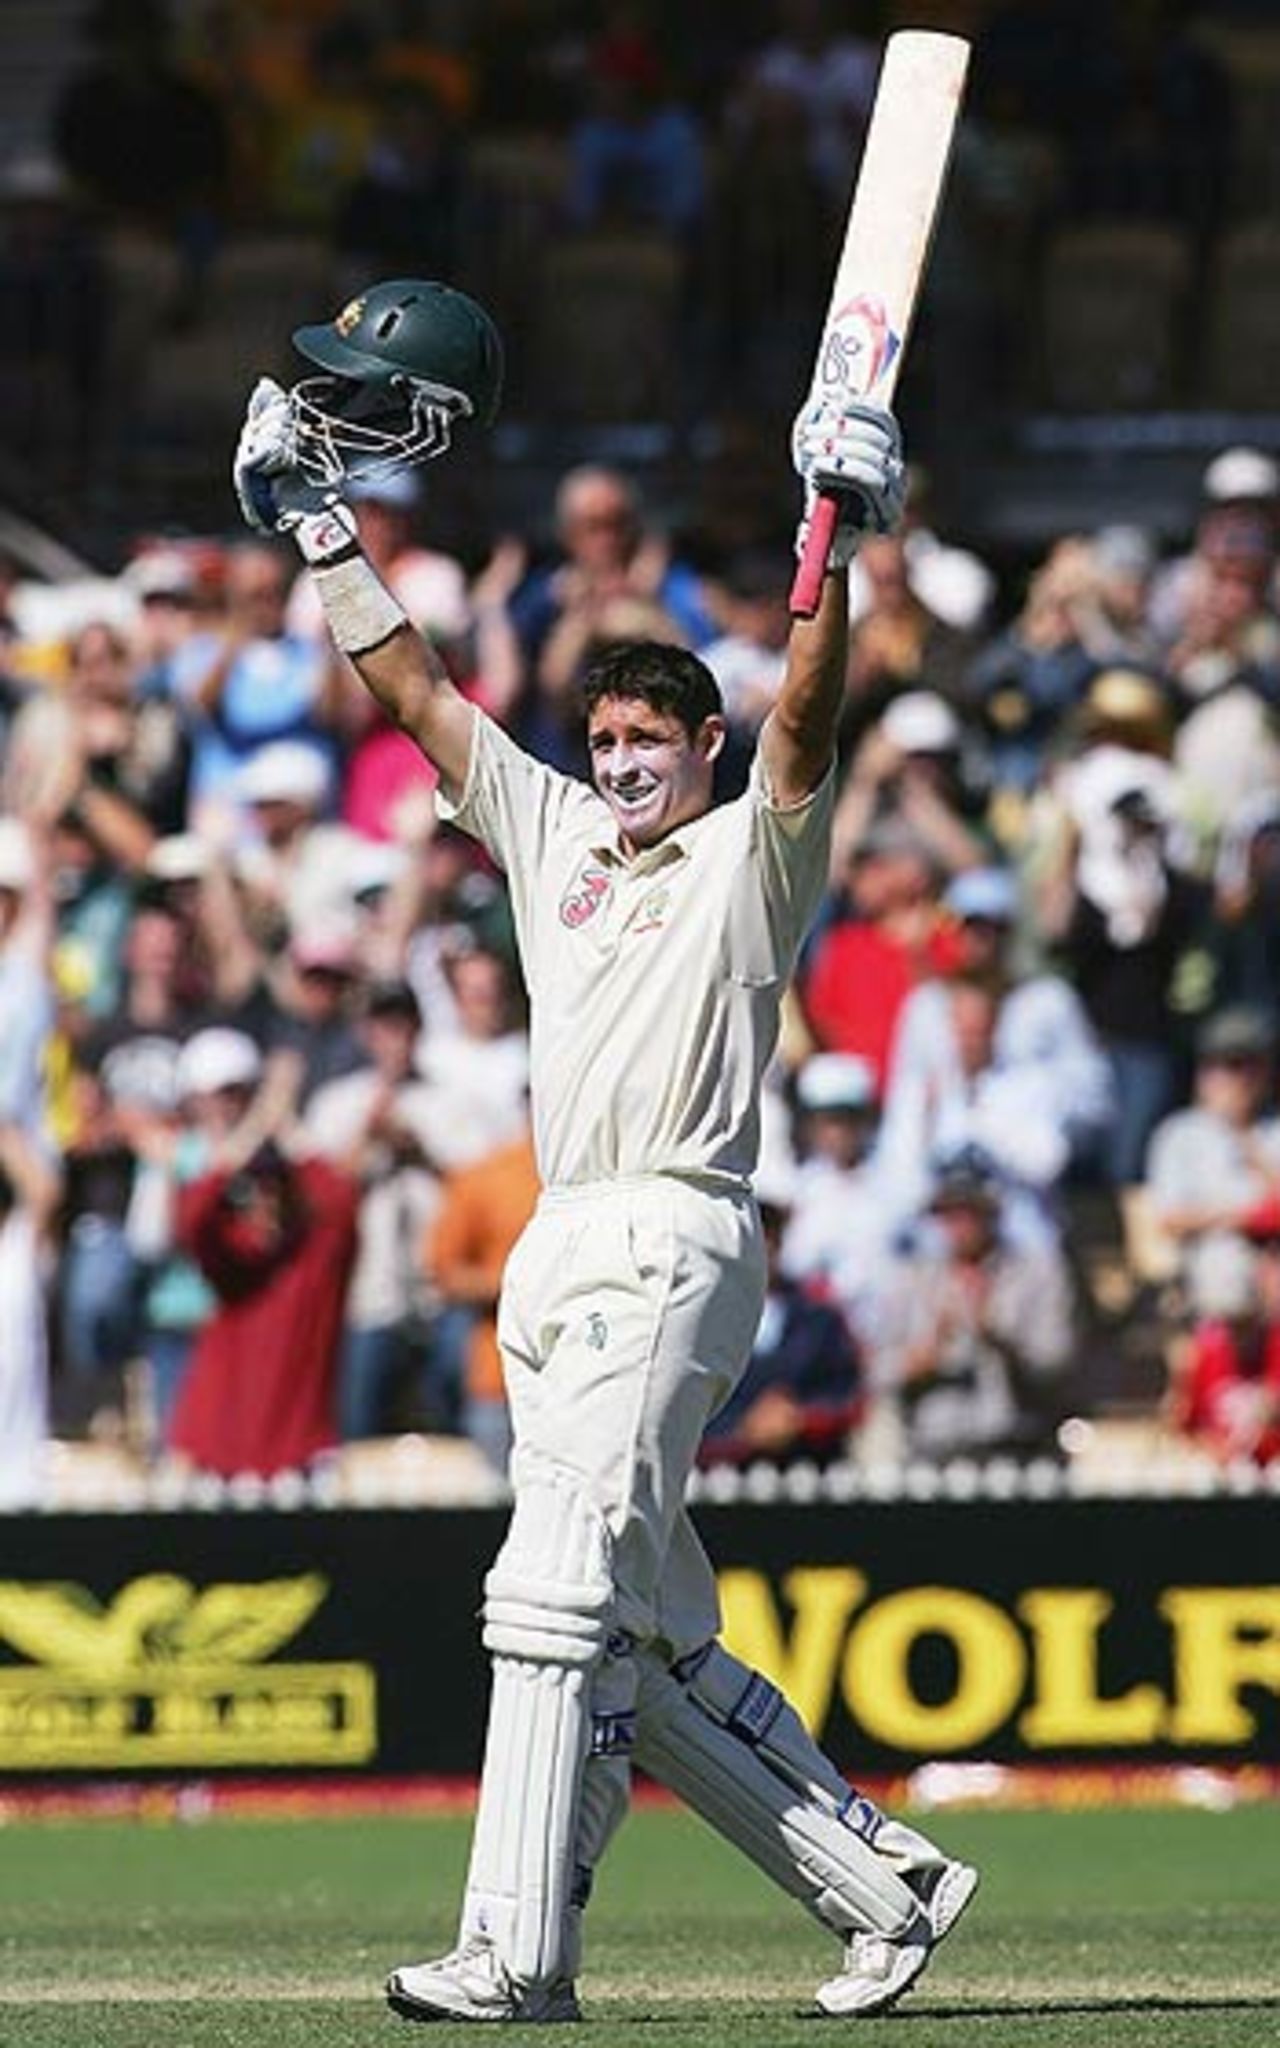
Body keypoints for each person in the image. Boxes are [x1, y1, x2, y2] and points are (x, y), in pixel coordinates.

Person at [233, 293, 975, 2022]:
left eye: (656, 741)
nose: (627, 763)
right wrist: (321, 529)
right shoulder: (555, 831)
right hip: (561, 1243)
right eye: (611, 741)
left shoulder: (751, 855)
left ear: (705, 751)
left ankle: (515, 1956)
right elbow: (418, 696)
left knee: (551, 1593)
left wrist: (836, 539)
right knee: (639, 1632)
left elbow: (809, 718)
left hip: (674, 1232)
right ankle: (886, 1884)